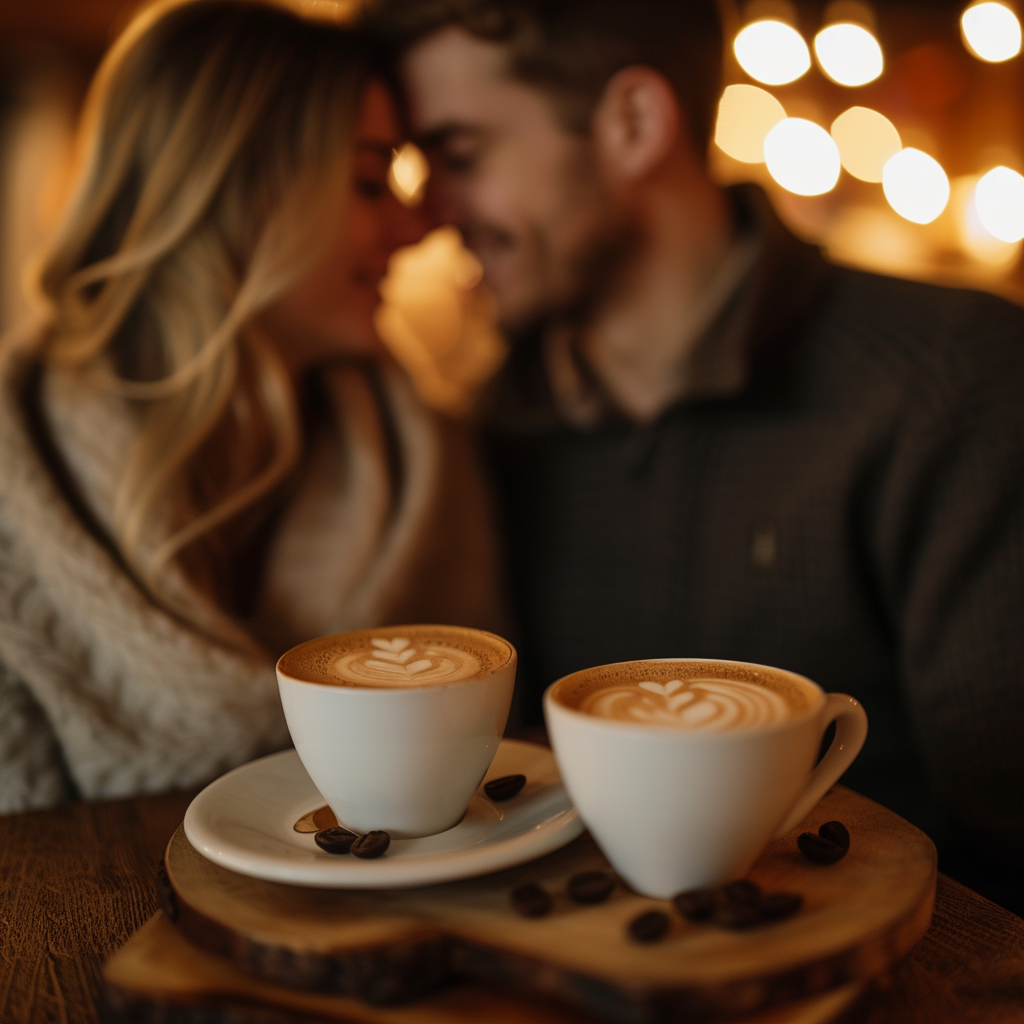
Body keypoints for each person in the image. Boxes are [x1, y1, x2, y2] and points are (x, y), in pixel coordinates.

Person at [366, 0, 1024, 912]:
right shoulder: (479, 432)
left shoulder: (949, 382)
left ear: (633, 123)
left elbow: (1009, 848)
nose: (428, 213)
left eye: (461, 154)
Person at [0, 0, 504, 813]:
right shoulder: (15, 478)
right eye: (371, 180)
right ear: (234, 185)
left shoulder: (433, 460)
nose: (416, 227)